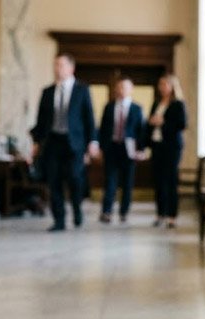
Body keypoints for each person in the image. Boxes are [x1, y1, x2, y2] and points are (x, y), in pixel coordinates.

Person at [30, 53, 98, 232]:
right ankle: (59, 220)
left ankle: (77, 209)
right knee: (54, 181)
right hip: (53, 142)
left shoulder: (82, 90)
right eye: (55, 65)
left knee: (75, 178)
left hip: (74, 143)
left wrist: (93, 141)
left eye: (61, 65)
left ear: (71, 68)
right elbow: (41, 120)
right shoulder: (47, 92)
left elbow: (89, 117)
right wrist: (36, 143)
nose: (57, 69)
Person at [98, 76, 144, 224]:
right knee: (110, 181)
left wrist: (141, 149)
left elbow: (141, 131)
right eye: (120, 87)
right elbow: (103, 128)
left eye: (126, 87)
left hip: (129, 149)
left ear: (131, 90)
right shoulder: (109, 106)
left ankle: (124, 211)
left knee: (127, 182)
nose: (122, 90)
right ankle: (107, 211)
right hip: (112, 147)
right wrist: (100, 146)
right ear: (116, 89)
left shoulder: (137, 109)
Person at [147, 74, 187, 228]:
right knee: (158, 181)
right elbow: (150, 123)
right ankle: (160, 214)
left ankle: (172, 215)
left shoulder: (178, 104)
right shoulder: (157, 103)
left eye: (165, 84)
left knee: (170, 181)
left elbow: (182, 124)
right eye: (160, 84)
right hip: (157, 146)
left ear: (172, 87)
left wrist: (163, 122)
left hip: (172, 147)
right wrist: (151, 123)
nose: (162, 87)